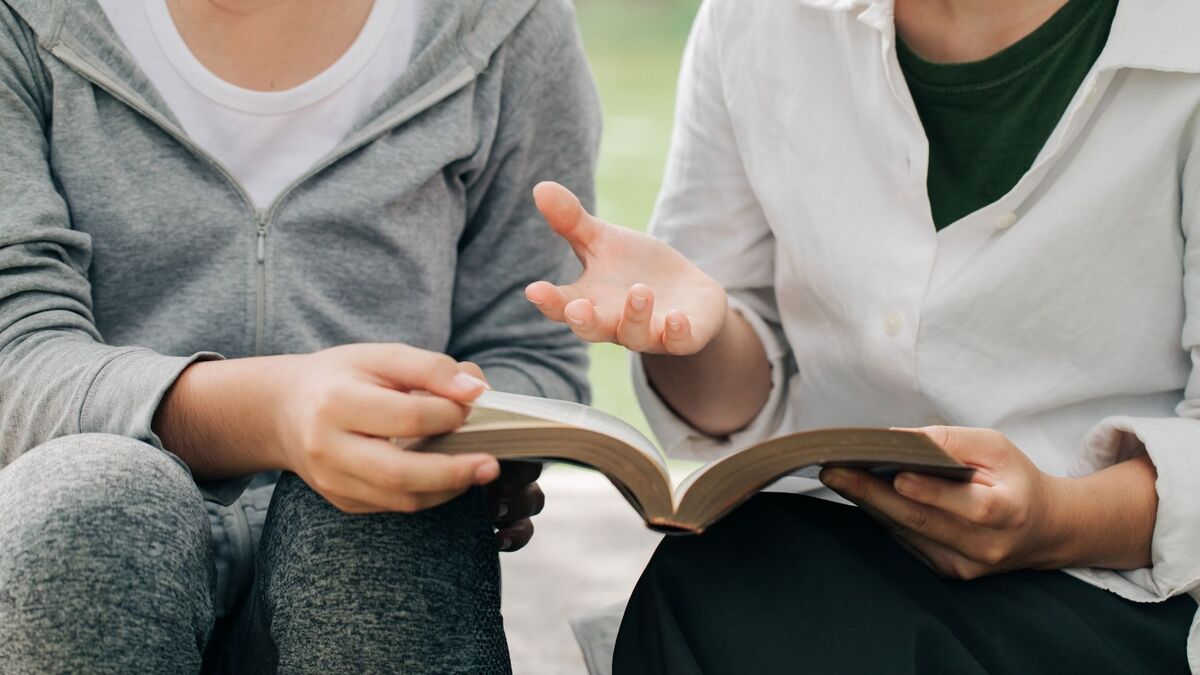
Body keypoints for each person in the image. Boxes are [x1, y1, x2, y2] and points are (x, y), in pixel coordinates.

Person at [528, 0, 1200, 671]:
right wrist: (688, 335)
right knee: (726, 582)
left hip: (1129, 588)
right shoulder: (757, 20)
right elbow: (734, 398)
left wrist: (1058, 519)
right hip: (828, 545)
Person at [0, 0, 598, 672]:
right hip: (85, 567)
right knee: (89, 502)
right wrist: (274, 412)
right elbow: (14, 354)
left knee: (380, 521)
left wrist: (462, 430)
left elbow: (532, 353)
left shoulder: (504, 22)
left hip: (374, 567)